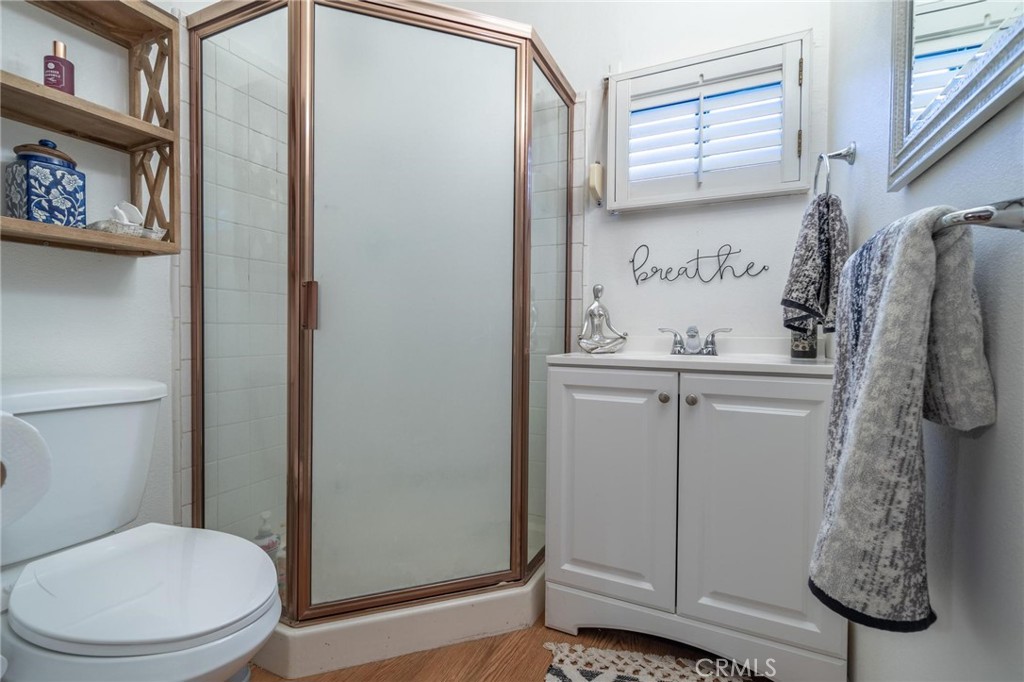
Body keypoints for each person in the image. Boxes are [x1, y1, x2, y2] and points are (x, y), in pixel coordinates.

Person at [578, 284, 627, 354]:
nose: (598, 293)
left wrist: (620, 334)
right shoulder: (590, 308)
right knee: (580, 342)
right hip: (593, 340)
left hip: (603, 339)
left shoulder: (603, 308)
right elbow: (586, 323)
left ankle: (598, 350)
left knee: (623, 340)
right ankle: (606, 349)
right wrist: (582, 334)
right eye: (597, 291)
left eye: (600, 291)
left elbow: (609, 325)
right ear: (594, 292)